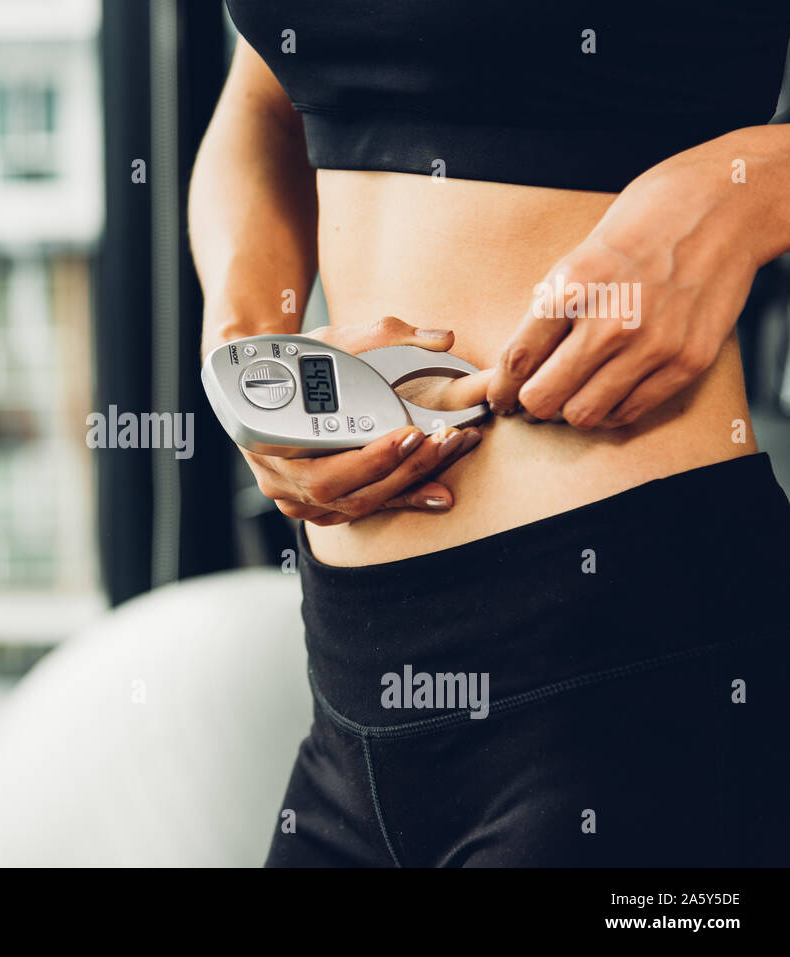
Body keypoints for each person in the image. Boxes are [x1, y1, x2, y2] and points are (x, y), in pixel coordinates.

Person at [190, 2, 790, 866]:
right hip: (350, 684)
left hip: (636, 669)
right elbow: (261, 102)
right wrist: (244, 353)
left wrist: (742, 189)